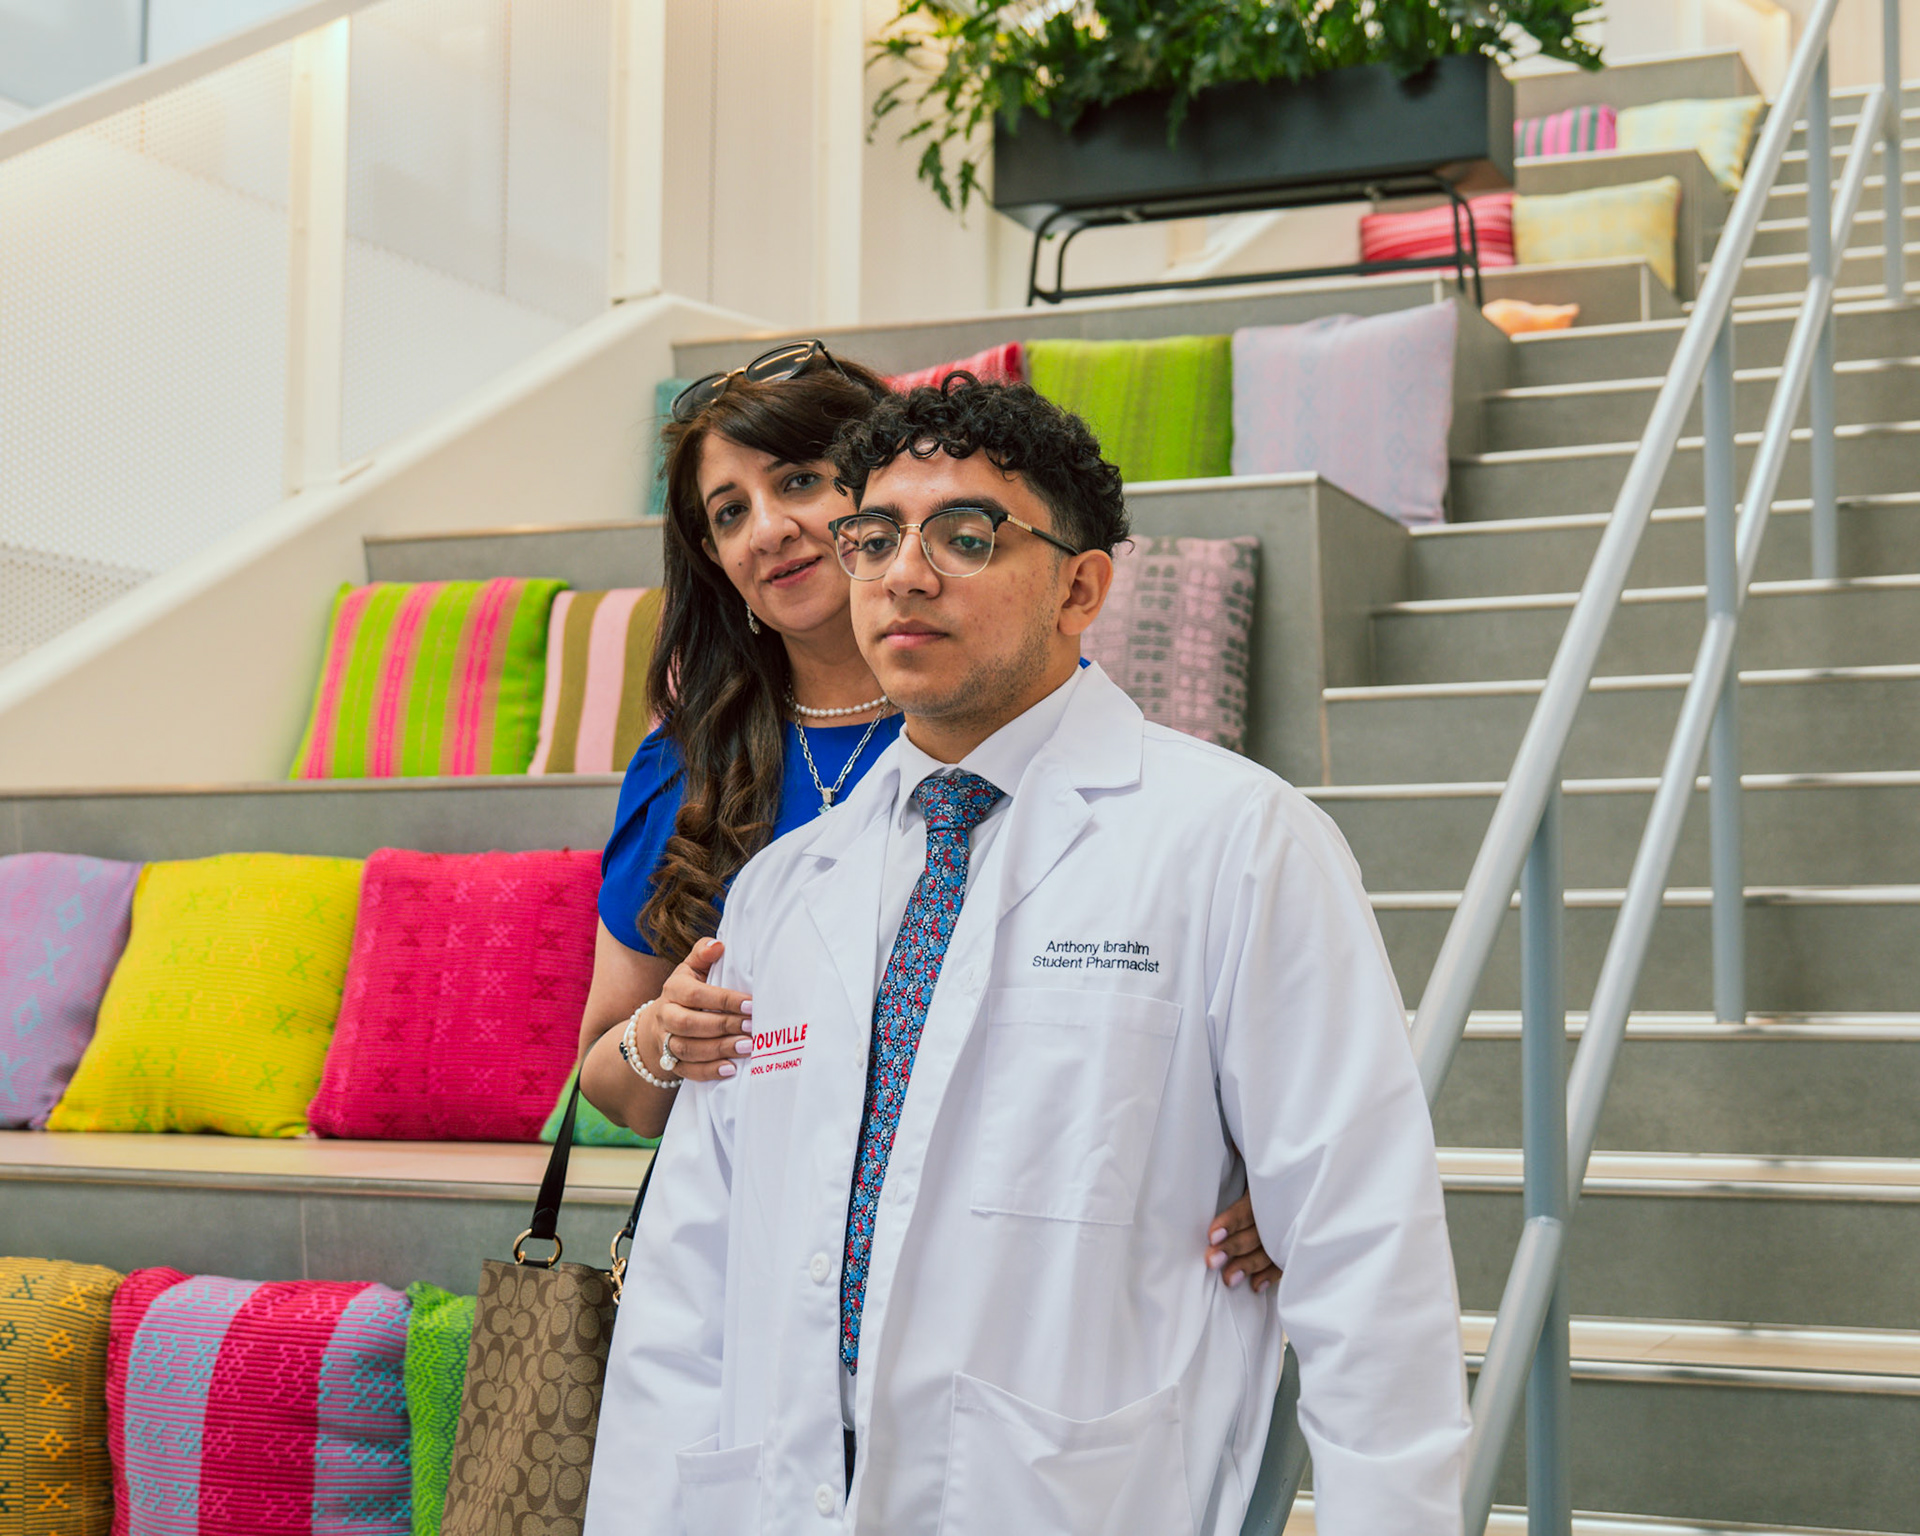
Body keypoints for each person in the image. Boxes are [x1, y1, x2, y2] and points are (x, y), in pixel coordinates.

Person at [584, 378, 1470, 1536]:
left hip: (1073, 1496)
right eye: (875, 538)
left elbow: (1363, 1244)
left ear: (1081, 588)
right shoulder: (783, 890)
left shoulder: (1238, 843)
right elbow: (691, 1280)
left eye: (965, 537)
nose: (905, 574)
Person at [575, 341, 1278, 1290]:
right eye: (729, 512)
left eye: (800, 482)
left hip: (1008, 1267)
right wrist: (665, 1038)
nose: (768, 530)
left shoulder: (1031, 725)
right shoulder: (685, 768)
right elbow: (609, 1078)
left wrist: (1257, 1165)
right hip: (752, 1258)